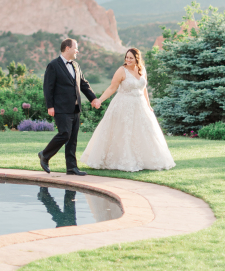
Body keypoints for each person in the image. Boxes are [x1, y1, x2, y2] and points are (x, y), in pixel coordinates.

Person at [81, 47, 175, 172]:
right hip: (123, 105)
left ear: (137, 59)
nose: (128, 60)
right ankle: (121, 160)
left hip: (140, 106)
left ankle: (143, 160)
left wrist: (148, 104)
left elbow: (144, 88)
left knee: (144, 132)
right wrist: (99, 100)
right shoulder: (121, 70)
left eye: (131, 58)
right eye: (126, 57)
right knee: (124, 132)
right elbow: (112, 88)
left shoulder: (142, 70)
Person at [38, 37, 99, 176]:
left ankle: (71, 167)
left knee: (72, 139)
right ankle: (44, 155)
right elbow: (48, 88)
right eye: (75, 48)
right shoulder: (53, 65)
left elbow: (83, 84)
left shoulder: (76, 65)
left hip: (75, 108)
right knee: (65, 134)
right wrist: (50, 106)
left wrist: (93, 98)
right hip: (60, 108)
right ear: (67, 48)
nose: (77, 50)